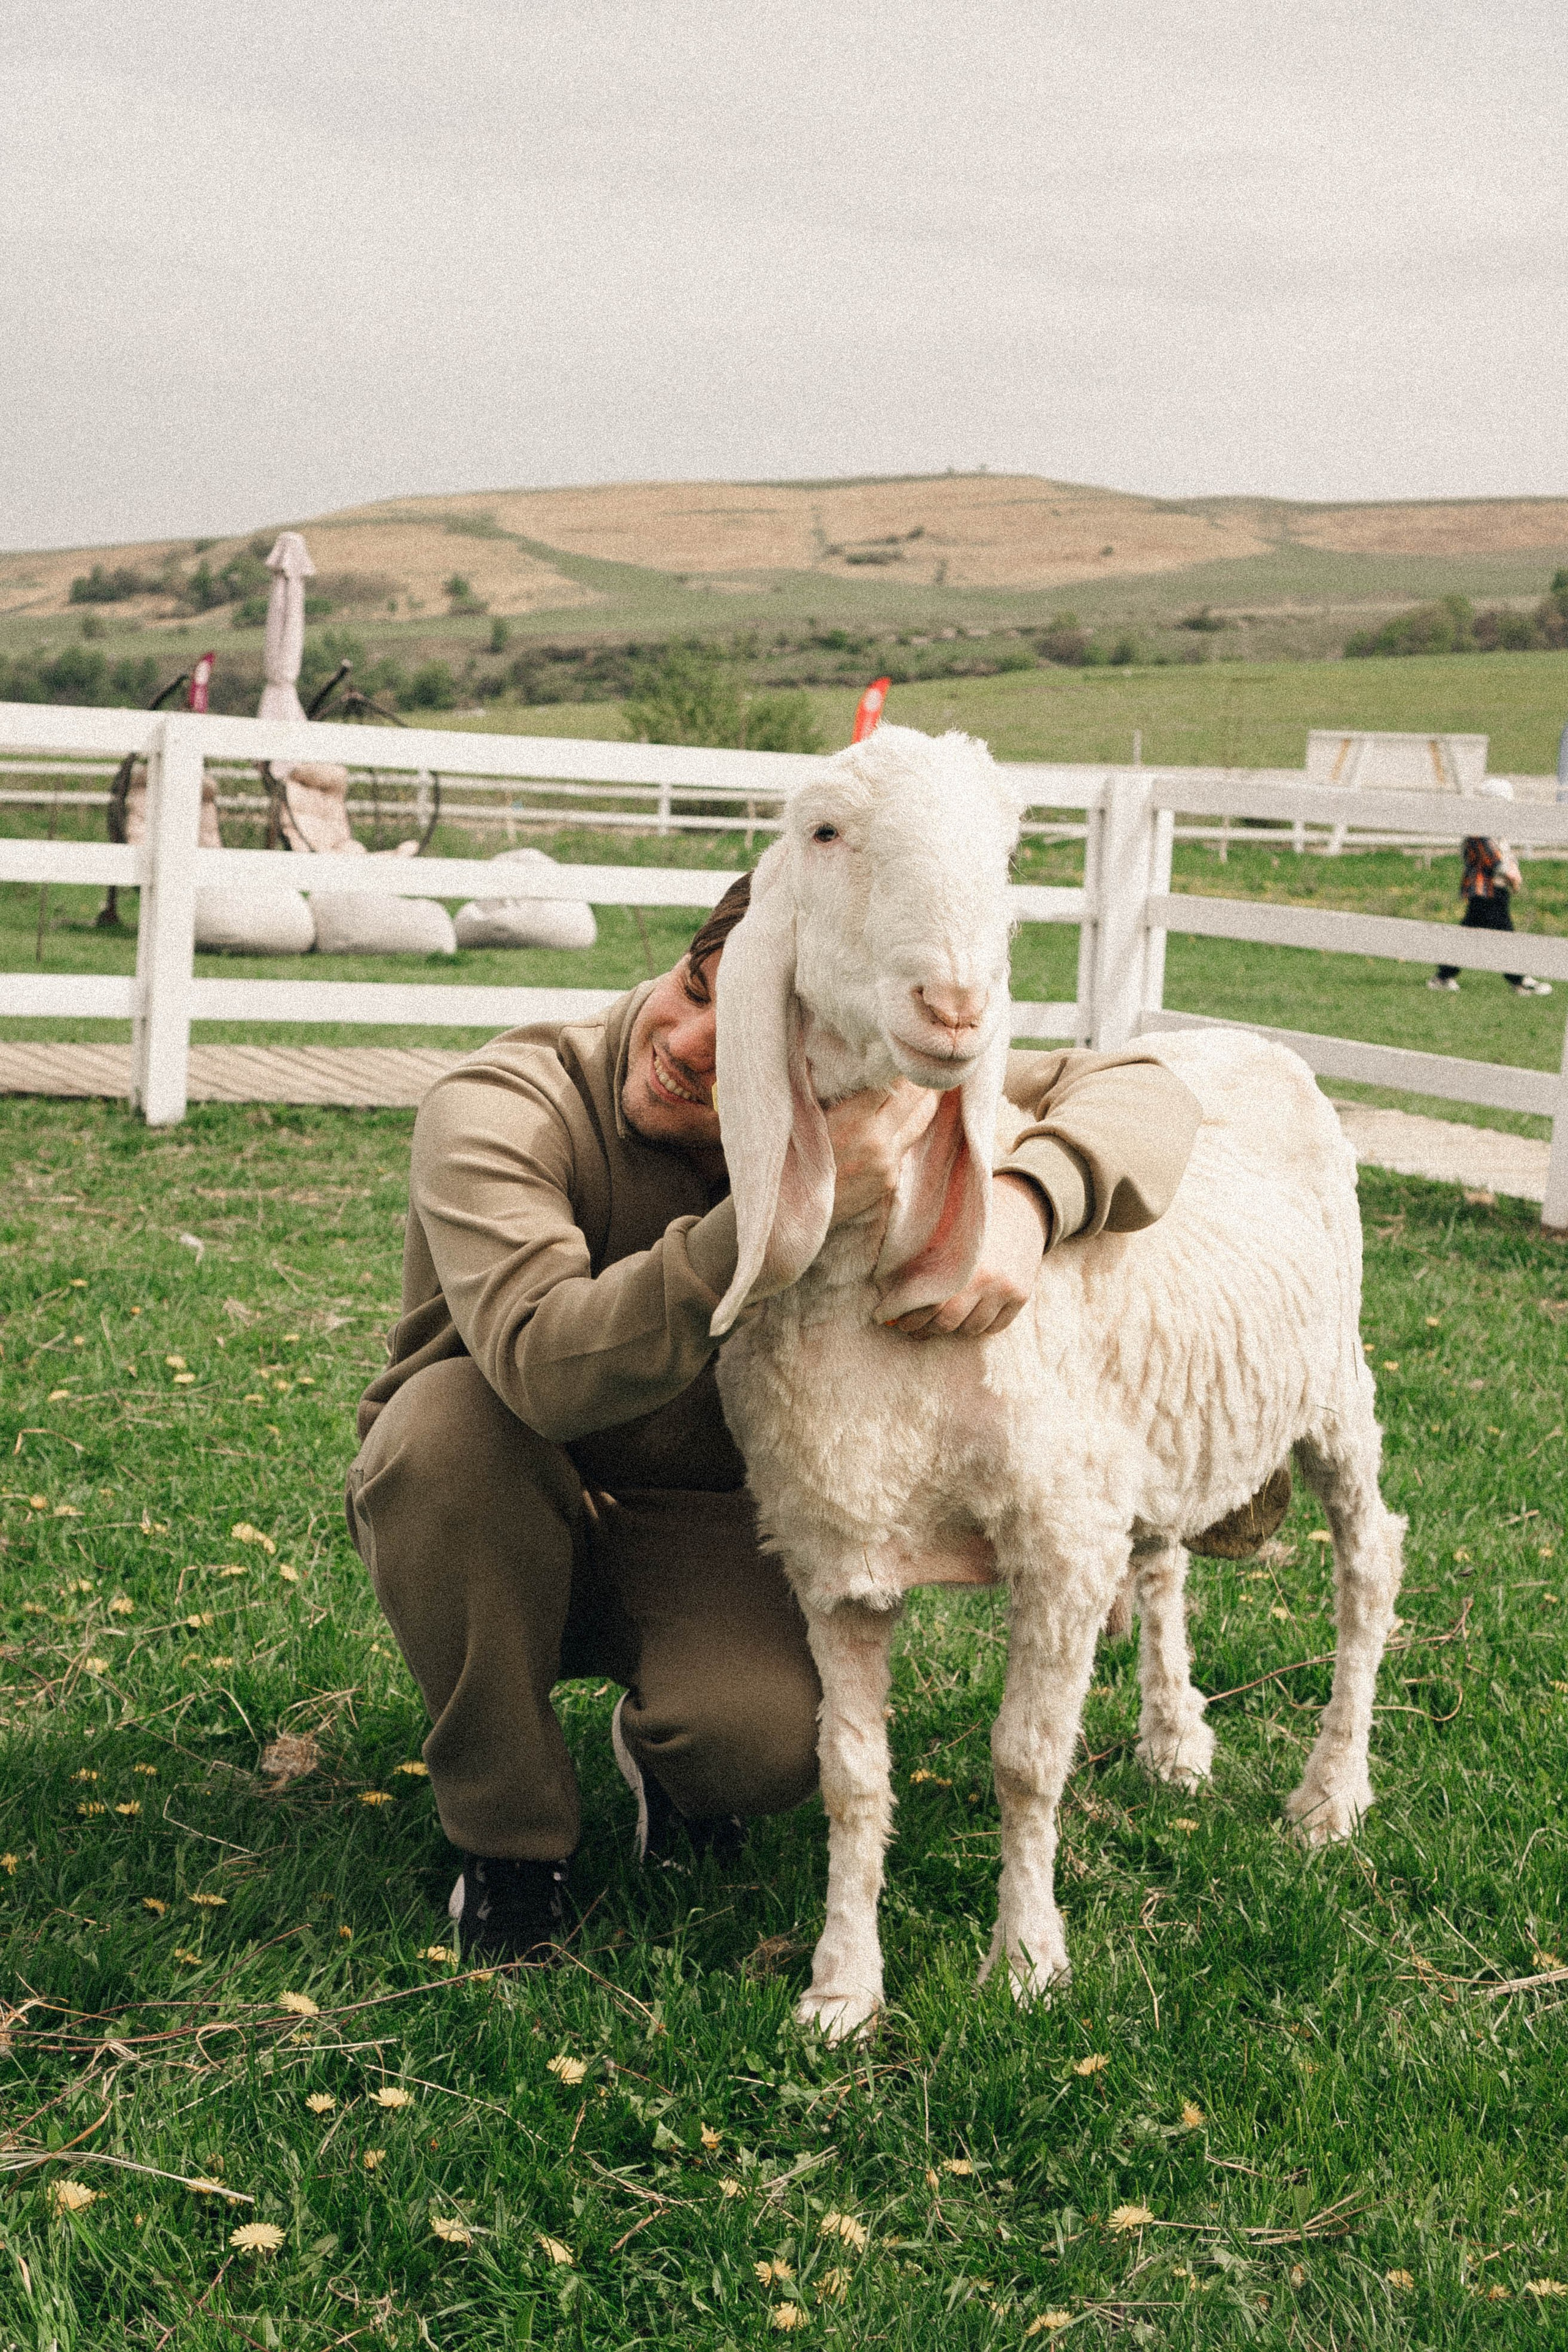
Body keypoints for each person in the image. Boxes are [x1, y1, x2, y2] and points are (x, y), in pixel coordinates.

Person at [345, 875, 1204, 1960]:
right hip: (503, 1492)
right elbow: (541, 1364)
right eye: (698, 987)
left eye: (751, 1048)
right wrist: (777, 1216)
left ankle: (669, 1749)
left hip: (716, 1522)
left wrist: (1034, 1201)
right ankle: (510, 1846)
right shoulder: (504, 1102)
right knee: (444, 1425)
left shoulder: (871, 1093)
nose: (693, 1045)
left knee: (759, 1749)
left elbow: (1147, 1093)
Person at [1430, 777, 1553, 995]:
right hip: (1485, 891)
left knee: (1468, 937)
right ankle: (1519, 980)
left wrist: (1514, 871)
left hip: (1496, 890)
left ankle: (1443, 977)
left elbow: (1506, 854)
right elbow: (1492, 858)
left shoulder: (1496, 829)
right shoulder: (1479, 829)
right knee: (1504, 934)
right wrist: (1510, 872)